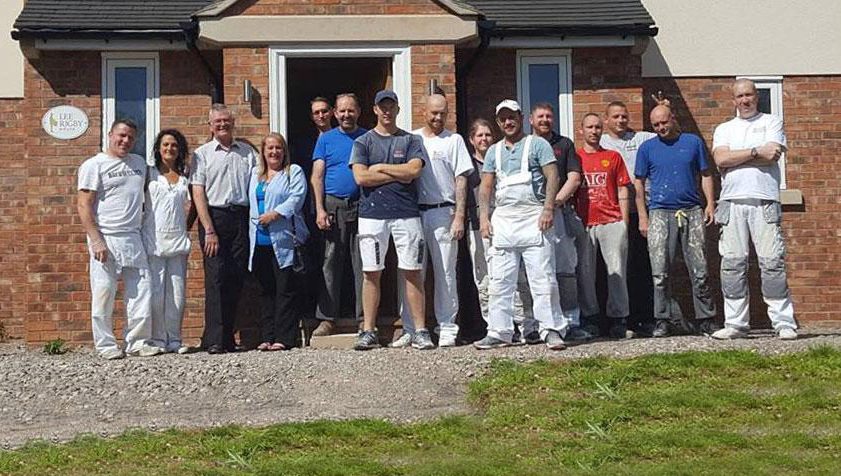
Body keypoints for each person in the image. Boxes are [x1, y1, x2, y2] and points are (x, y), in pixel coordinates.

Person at [474, 99, 567, 350]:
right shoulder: (493, 151)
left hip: (535, 217)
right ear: (498, 122)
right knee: (500, 280)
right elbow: (485, 188)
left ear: (522, 117)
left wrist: (548, 209)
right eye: (503, 118)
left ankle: (551, 329)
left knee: (543, 278)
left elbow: (553, 176)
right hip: (503, 218)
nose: (508, 122)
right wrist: (484, 217)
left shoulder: (538, 145)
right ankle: (499, 331)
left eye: (512, 116)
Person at [711, 78, 797, 340]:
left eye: (748, 95)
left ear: (756, 96)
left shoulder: (771, 122)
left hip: (764, 199)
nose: (744, 100)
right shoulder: (724, 128)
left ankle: (783, 322)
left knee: (771, 263)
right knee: (733, 264)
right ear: (733, 100)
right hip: (732, 201)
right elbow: (720, 158)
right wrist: (755, 151)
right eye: (739, 96)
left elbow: (772, 154)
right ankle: (736, 323)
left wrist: (738, 156)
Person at [350, 89, 433, 350]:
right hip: (372, 215)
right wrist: (399, 174)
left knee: (412, 272)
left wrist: (381, 168)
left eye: (391, 106)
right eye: (382, 106)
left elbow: (414, 170)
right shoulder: (363, 142)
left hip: (406, 214)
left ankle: (420, 330)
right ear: (375, 109)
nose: (387, 111)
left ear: (398, 109)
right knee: (371, 273)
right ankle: (368, 330)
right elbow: (361, 178)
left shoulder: (410, 140)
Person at [392, 94, 473, 348]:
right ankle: (410, 327)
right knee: (410, 271)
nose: (438, 118)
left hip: (443, 212)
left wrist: (459, 215)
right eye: (434, 113)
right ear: (423, 111)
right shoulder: (411, 139)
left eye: (443, 113)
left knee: (445, 272)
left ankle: (447, 326)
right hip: (414, 212)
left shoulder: (455, 140)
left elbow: (461, 179)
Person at [77, 119, 161, 359]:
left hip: (133, 237)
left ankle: (137, 342)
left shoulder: (139, 164)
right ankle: (105, 345)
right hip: (106, 237)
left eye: (131, 138)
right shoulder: (94, 165)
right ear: (110, 134)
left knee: (141, 291)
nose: (125, 141)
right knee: (104, 292)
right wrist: (96, 240)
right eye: (121, 136)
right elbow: (84, 205)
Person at [634, 106, 718, 337]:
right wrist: (643, 216)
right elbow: (639, 184)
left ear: (673, 118)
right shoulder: (647, 148)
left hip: (691, 210)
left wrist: (709, 203)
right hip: (660, 212)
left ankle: (706, 319)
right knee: (660, 271)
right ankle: (662, 319)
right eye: (656, 125)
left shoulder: (692, 142)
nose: (661, 128)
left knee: (700, 269)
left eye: (664, 122)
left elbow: (706, 174)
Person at [191, 104, 257, 354]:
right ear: (210, 126)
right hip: (214, 219)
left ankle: (228, 337)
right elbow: (198, 193)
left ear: (233, 123)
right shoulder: (202, 154)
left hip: (241, 217)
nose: (222, 125)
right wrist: (208, 229)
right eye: (217, 122)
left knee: (236, 277)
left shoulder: (248, 153)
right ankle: (215, 339)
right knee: (216, 278)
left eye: (226, 121)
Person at [528, 102, 590, 341]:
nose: (545, 120)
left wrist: (553, 203)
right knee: (535, 271)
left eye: (549, 116)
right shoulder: (525, 145)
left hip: (559, 213)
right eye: (540, 116)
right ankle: (535, 325)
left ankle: (571, 322)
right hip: (530, 215)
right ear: (531, 120)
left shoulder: (564, 144)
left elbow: (574, 178)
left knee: (565, 269)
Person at [309, 94, 367, 337]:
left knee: (363, 264)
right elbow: (317, 176)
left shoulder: (367, 137)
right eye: (341, 111)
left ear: (359, 112)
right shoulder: (326, 140)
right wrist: (320, 209)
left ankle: (365, 319)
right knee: (330, 263)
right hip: (333, 206)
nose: (346, 115)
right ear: (335, 113)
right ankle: (327, 319)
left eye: (350, 110)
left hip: (363, 205)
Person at [600, 101, 657, 336]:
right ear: (606, 120)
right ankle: (615, 320)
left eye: (624, 116)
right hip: (614, 214)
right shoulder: (601, 142)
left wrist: (664, 108)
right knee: (615, 268)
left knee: (643, 266)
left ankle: (644, 318)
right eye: (615, 117)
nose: (621, 120)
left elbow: (668, 135)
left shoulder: (642, 138)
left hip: (643, 212)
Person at [248, 133, 309, 350]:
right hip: (260, 241)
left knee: (285, 290)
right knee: (266, 291)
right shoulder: (255, 175)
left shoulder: (293, 172)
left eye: (278, 148)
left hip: (283, 240)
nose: (274, 152)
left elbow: (296, 199)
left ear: (284, 151)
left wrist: (274, 214)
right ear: (263, 152)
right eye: (270, 148)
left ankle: (284, 337)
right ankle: (267, 336)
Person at [576, 113, 631, 338]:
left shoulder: (613, 156)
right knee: (585, 273)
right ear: (582, 130)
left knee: (617, 271)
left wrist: (624, 221)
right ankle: (590, 319)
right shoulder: (575, 157)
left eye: (598, 127)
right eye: (589, 127)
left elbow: (623, 189)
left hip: (611, 220)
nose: (594, 131)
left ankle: (619, 319)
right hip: (584, 222)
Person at [143, 129, 193, 354]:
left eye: (173, 145)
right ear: (158, 149)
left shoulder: (186, 177)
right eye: (165, 145)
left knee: (177, 293)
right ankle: (157, 339)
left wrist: (187, 227)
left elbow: (194, 205)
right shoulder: (149, 174)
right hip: (153, 240)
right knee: (155, 293)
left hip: (178, 240)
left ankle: (175, 339)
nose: (169, 149)